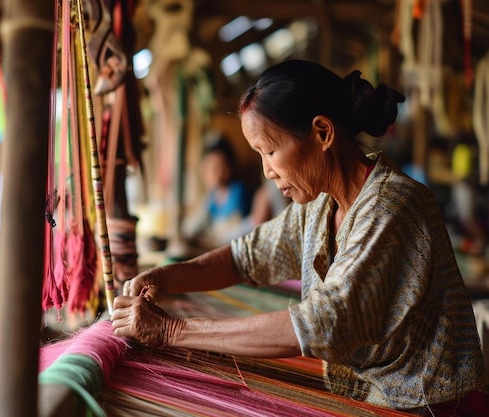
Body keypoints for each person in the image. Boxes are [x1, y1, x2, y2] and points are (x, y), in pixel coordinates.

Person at [111, 59, 489, 413]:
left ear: (322, 132)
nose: (267, 171)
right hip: (366, 399)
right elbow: (246, 257)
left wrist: (170, 330)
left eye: (270, 150)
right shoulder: (319, 206)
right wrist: (167, 277)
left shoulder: (392, 207)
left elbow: (323, 322)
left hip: (426, 407)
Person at [182, 136, 253, 250]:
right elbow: (193, 225)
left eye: (217, 167)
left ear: (228, 168)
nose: (211, 172)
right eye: (208, 167)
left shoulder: (238, 192)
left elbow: (234, 227)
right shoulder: (212, 196)